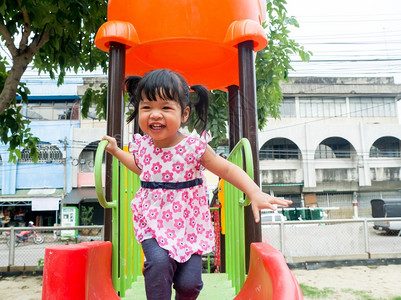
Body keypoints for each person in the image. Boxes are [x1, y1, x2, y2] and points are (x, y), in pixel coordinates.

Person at [102, 69, 292, 300]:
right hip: (152, 219)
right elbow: (140, 167)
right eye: (147, 107)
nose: (155, 115)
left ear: (184, 114)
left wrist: (254, 191)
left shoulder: (194, 147)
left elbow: (227, 168)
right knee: (159, 263)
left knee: (190, 284)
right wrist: (115, 151)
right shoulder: (144, 146)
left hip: (189, 224)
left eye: (165, 107)